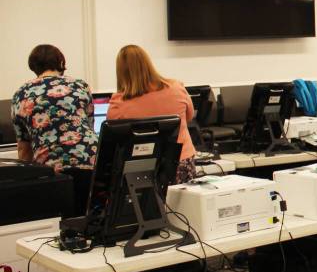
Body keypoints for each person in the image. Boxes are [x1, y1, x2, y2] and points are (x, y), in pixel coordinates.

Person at [107, 45, 196, 183]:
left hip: (142, 166)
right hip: (182, 161)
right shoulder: (176, 87)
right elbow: (189, 117)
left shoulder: (119, 102)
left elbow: (113, 138)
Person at [11, 44, 98, 172]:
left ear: (33, 66)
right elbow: (89, 126)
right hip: (90, 159)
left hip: (51, 168)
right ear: (61, 62)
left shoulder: (21, 94)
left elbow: (24, 148)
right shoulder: (80, 85)